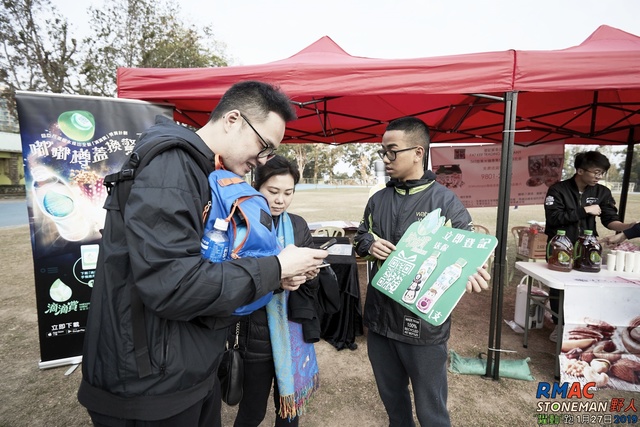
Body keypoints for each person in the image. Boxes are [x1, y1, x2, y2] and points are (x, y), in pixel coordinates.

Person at [77, 81, 329, 427]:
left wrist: (278, 277)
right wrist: (274, 267)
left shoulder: (200, 170)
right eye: (263, 146)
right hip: (149, 383)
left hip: (181, 369)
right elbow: (174, 285)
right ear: (233, 119)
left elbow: (206, 267)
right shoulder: (171, 167)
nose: (261, 160)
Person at [353, 117, 490, 427]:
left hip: (422, 326)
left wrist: (474, 273)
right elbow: (362, 235)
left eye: (391, 151)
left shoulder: (446, 203)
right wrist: (368, 244)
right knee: (394, 405)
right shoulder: (377, 200)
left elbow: (469, 256)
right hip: (379, 322)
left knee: (432, 411)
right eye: (382, 152)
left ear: (418, 152)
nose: (385, 159)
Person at [231, 155, 331, 426]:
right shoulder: (242, 223)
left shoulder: (297, 225)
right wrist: (277, 281)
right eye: (273, 191)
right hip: (255, 335)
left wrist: (309, 274)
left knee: (289, 412)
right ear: (256, 186)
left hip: (293, 327)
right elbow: (233, 280)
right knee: (252, 410)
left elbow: (312, 284)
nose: (280, 200)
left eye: (288, 193)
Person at [544, 150, 635, 342]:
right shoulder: (557, 190)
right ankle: (558, 325)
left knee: (586, 287)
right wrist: (584, 211)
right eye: (596, 172)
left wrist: (627, 228)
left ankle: (580, 325)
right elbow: (554, 218)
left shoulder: (602, 192)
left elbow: (610, 219)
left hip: (588, 246)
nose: (599, 177)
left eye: (602, 173)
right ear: (580, 170)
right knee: (560, 288)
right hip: (561, 246)